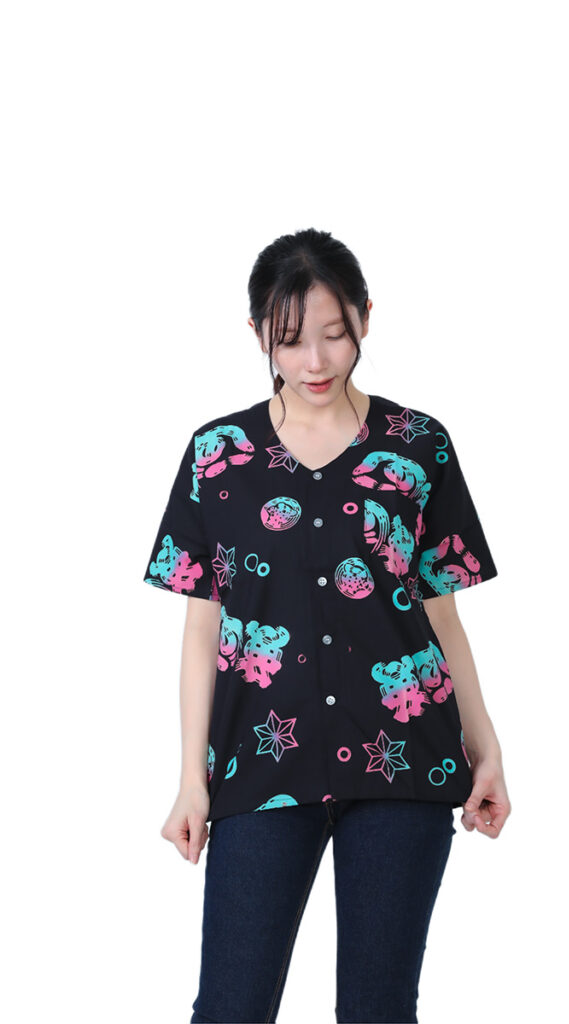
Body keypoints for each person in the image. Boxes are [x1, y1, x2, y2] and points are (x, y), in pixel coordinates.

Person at [142, 227, 511, 1023]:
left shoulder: (419, 445)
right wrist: (191, 780)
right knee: (231, 1007)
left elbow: (440, 613)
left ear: (366, 318)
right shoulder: (217, 454)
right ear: (257, 334)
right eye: (289, 340)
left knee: (378, 1009)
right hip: (259, 765)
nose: (314, 361)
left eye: (335, 334)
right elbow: (204, 629)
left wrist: (485, 750)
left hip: (405, 759)